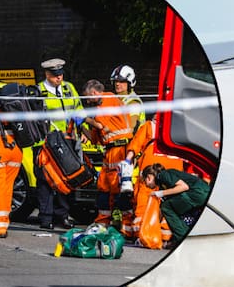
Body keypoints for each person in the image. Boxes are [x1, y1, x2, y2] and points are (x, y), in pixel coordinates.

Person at [81, 78, 140, 235]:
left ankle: (128, 227)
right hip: (109, 152)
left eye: (87, 97)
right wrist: (81, 125)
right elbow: (95, 139)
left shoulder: (108, 99)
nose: (87, 101)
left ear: (94, 93)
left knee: (119, 188)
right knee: (103, 188)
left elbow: (102, 126)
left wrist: (85, 118)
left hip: (120, 149)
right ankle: (102, 223)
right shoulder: (98, 107)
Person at [35, 57, 82, 230]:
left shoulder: (69, 88)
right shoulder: (39, 91)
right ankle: (46, 218)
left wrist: (80, 125)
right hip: (46, 142)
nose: (59, 78)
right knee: (45, 180)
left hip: (66, 141)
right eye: (55, 75)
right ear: (47, 74)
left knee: (65, 179)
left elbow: (78, 108)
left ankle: (62, 215)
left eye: (61, 74)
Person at [0, 83, 26, 238]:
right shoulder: (19, 106)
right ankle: (3, 223)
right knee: (7, 189)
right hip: (16, 149)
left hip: (1, 147)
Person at [140, 162, 211, 246]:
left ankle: (183, 239)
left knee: (166, 207)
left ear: (148, 177)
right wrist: (150, 230)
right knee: (170, 208)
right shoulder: (162, 184)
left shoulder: (163, 175)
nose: (146, 185)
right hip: (200, 193)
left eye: (145, 182)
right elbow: (162, 212)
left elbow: (184, 187)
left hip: (197, 192)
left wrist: (161, 193)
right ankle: (189, 238)